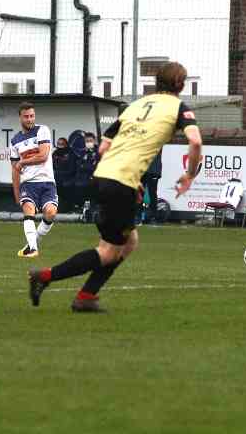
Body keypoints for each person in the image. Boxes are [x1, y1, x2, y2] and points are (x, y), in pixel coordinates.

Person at [28, 61, 202, 313]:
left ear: (156, 83)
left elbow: (103, 148)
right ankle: (44, 277)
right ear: (181, 85)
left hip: (103, 177)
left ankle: (86, 296)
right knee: (108, 251)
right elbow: (195, 142)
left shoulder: (135, 106)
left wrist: (129, 181)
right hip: (119, 183)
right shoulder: (178, 108)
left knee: (128, 241)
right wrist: (189, 175)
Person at [11, 103, 57, 257]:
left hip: (47, 181)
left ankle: (31, 244)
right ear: (20, 117)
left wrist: (23, 162)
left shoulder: (42, 130)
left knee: (50, 213)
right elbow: (15, 169)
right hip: (28, 183)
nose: (30, 119)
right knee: (28, 209)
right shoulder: (15, 141)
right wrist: (16, 193)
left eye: (32, 116)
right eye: (26, 116)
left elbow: (43, 156)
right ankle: (33, 249)